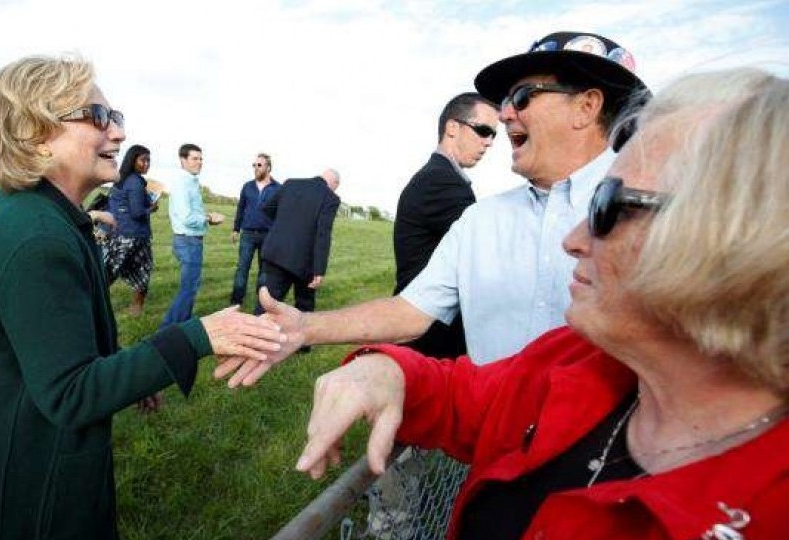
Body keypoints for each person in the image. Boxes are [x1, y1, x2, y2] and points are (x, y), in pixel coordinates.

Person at [294, 68, 789, 540]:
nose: (573, 241)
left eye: (607, 208)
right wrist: (382, 367)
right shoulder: (575, 360)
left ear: (736, 239)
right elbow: (462, 386)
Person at [0, 55, 285, 540]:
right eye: (98, 116)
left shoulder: (42, 218)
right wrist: (197, 336)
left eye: (116, 118)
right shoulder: (35, 238)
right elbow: (69, 392)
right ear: (37, 132)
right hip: (29, 511)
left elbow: (59, 352)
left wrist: (125, 374)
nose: (116, 133)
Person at [215, 31, 649, 385]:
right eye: (501, 106)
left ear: (587, 107)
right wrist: (305, 327)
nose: (504, 116)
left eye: (522, 97)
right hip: (492, 458)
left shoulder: (659, 216)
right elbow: (411, 310)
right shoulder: (481, 219)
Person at [393, 92, 498, 358]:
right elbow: (485, 255)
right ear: (452, 127)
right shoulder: (442, 182)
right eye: (483, 131)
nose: (488, 142)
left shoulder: (441, 177)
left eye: (493, 135)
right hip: (430, 334)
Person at [256, 169, 341, 324]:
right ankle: (304, 344)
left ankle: (253, 335)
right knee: (304, 303)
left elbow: (267, 209)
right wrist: (319, 269)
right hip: (304, 258)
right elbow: (323, 233)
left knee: (267, 301)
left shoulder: (291, 183)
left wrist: (284, 223)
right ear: (334, 183)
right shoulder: (331, 197)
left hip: (276, 251)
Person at [160, 143, 224, 327]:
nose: (199, 162)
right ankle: (167, 329)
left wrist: (206, 216)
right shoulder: (183, 182)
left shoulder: (190, 181)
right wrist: (209, 218)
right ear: (183, 160)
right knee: (189, 288)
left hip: (190, 240)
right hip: (188, 241)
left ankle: (183, 325)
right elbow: (187, 217)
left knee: (191, 286)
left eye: (201, 158)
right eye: (195, 158)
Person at [102, 144, 158, 316]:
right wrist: (152, 209)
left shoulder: (122, 178)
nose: (146, 164)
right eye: (143, 160)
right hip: (133, 236)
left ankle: (96, 303)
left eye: (149, 160)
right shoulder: (135, 182)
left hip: (119, 233)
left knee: (108, 272)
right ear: (133, 160)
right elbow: (137, 212)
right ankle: (136, 308)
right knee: (141, 271)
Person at [229, 153, 281, 310]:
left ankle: (261, 305)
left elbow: (281, 213)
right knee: (242, 268)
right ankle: (236, 303)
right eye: (254, 165)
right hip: (248, 235)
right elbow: (241, 208)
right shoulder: (247, 186)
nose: (256, 168)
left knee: (264, 273)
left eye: (259, 165)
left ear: (268, 167)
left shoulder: (278, 189)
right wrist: (236, 229)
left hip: (268, 236)